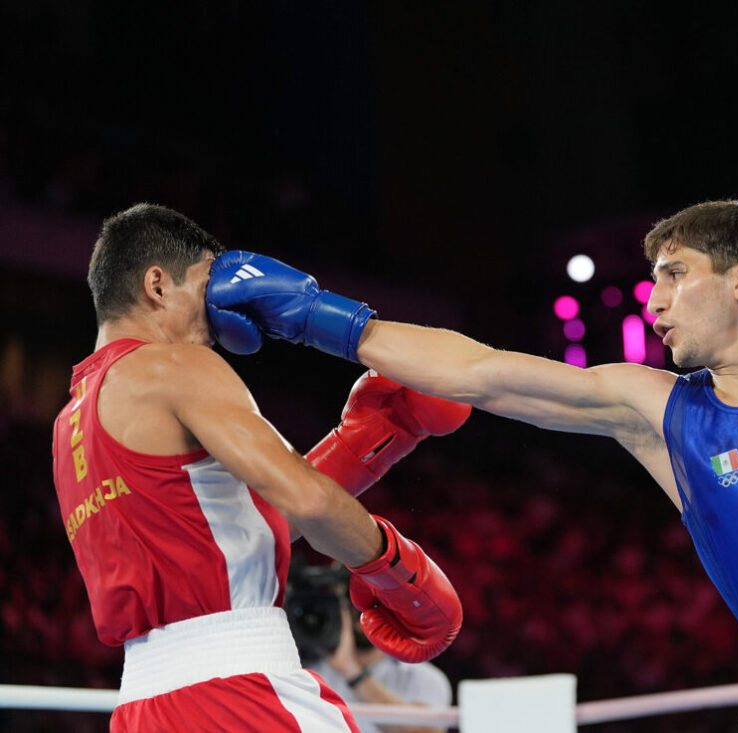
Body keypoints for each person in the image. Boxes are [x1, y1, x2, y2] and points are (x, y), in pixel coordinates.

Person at [205, 164, 738, 731]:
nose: (654, 299)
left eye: (674, 275)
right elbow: (484, 372)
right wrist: (316, 316)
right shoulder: (660, 409)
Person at [51, 203, 469, 732]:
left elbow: (237, 525)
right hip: (240, 692)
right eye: (207, 287)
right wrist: (400, 574)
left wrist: (375, 438)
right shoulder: (176, 365)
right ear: (157, 285)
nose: (222, 313)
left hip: (142, 710)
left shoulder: (70, 424)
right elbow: (309, 500)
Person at [287, 563, 452, 733]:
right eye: (351, 603)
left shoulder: (422, 678)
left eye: (373, 603)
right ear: (338, 608)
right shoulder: (304, 675)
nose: (363, 617)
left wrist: (353, 673)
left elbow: (425, 732)